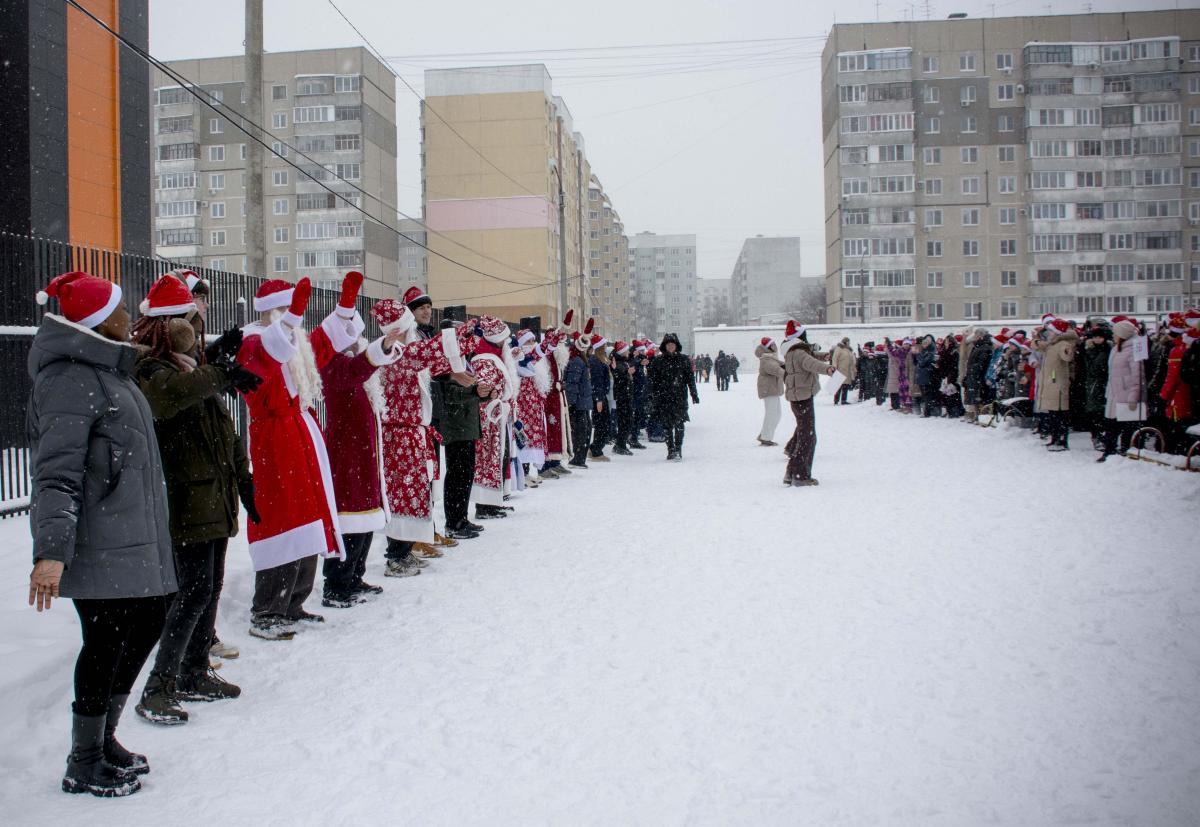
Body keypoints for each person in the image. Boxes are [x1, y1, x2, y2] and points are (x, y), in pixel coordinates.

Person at [28, 271, 177, 797]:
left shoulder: (108, 370)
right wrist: (51, 552)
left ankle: (103, 738)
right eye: (119, 309)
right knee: (105, 639)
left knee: (151, 616)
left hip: (130, 531)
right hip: (98, 535)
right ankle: (84, 759)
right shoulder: (69, 378)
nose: (128, 317)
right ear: (98, 321)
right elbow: (56, 472)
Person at [131, 275, 260, 725]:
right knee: (190, 593)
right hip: (186, 497)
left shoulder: (188, 366)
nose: (195, 328)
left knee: (209, 587)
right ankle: (158, 687)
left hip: (213, 494)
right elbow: (170, 398)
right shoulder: (150, 369)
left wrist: (243, 479)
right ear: (169, 326)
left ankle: (193, 671)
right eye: (188, 320)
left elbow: (223, 428)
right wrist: (219, 371)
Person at [236, 278, 343, 640]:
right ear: (270, 312)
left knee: (307, 518)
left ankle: (295, 601)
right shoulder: (251, 342)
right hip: (274, 439)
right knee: (282, 519)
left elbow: (321, 347)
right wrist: (291, 321)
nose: (292, 320)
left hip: (299, 433)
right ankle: (267, 609)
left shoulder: (291, 340)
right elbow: (265, 360)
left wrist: (344, 311)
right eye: (285, 311)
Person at [318, 273, 409, 604]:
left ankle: (355, 576)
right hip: (346, 455)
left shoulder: (351, 365)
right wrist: (380, 348)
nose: (356, 341)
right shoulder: (333, 367)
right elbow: (357, 369)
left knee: (365, 515)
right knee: (350, 518)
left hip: (364, 454)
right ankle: (337, 585)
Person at [372, 300, 475, 573]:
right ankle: (396, 556)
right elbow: (431, 351)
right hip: (400, 436)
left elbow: (433, 362)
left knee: (413, 493)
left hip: (409, 433)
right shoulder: (396, 355)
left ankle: (405, 549)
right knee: (404, 495)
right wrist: (460, 335)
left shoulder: (402, 353)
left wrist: (456, 363)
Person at [470, 315, 520, 518]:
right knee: (488, 460)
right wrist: (497, 398)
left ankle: (494, 501)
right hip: (490, 421)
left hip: (499, 418)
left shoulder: (496, 355)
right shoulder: (484, 359)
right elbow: (485, 390)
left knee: (500, 458)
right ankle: (484, 505)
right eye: (504, 338)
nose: (507, 342)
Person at [780, 320, 835, 486]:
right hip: (802, 397)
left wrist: (823, 356)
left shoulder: (792, 350)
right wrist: (827, 368)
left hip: (798, 397)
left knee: (802, 434)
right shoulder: (799, 352)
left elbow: (810, 356)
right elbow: (810, 363)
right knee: (808, 437)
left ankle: (791, 473)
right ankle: (800, 475)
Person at [1098, 318, 1146, 461]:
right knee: (1111, 425)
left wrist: (1134, 396)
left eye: (1115, 333)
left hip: (1127, 394)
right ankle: (1110, 452)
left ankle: (1127, 452)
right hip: (1115, 393)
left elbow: (1137, 375)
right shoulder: (1117, 348)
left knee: (1126, 426)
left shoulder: (1133, 349)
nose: (1113, 335)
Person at [648, 332, 699, 461]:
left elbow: (690, 378)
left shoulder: (684, 360)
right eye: (668, 344)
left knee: (679, 423)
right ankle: (670, 449)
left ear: (676, 345)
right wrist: (651, 394)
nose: (670, 346)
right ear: (664, 346)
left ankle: (678, 449)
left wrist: (694, 393)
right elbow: (652, 380)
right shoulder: (658, 361)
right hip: (663, 397)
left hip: (679, 397)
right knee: (667, 425)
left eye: (672, 344)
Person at [1036, 317, 1079, 452]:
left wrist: (1069, 350)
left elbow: (1067, 357)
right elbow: (1036, 346)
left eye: (1051, 331)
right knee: (1052, 414)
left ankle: (1061, 440)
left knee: (1060, 414)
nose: (1049, 333)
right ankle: (1054, 438)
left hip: (1056, 382)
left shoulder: (1062, 344)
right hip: (1051, 383)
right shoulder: (1051, 345)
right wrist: (1037, 340)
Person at [564, 321, 595, 468]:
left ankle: (580, 457)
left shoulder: (580, 360)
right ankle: (578, 458)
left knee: (585, 430)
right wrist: (571, 403)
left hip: (583, 402)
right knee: (581, 431)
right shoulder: (577, 361)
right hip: (579, 404)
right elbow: (572, 384)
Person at [755, 337, 784, 446]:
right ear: (769, 347)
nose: (775, 346)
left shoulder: (771, 357)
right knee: (772, 414)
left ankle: (764, 434)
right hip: (768, 389)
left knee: (777, 414)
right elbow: (775, 369)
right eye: (773, 344)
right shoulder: (766, 359)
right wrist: (786, 373)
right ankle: (765, 438)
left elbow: (778, 365)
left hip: (773, 389)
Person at [588, 336, 612, 462]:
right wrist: (599, 399)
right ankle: (596, 450)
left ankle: (595, 448)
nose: (606, 347)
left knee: (603, 423)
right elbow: (597, 382)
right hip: (599, 397)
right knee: (602, 424)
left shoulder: (599, 360)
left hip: (601, 396)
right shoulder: (596, 361)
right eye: (604, 345)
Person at [611, 341, 635, 455]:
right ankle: (620, 444)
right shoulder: (618, 362)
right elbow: (618, 379)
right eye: (626, 350)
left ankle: (621, 443)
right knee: (624, 421)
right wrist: (627, 373)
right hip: (623, 397)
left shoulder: (623, 362)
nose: (628, 352)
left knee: (627, 421)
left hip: (626, 396)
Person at [831, 337, 856, 405]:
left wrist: (853, 369)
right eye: (848, 342)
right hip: (840, 369)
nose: (849, 343)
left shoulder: (849, 350)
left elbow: (852, 360)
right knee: (838, 385)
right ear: (845, 342)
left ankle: (844, 400)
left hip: (847, 370)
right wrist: (834, 367)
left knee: (845, 385)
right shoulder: (839, 348)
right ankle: (836, 400)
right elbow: (835, 358)